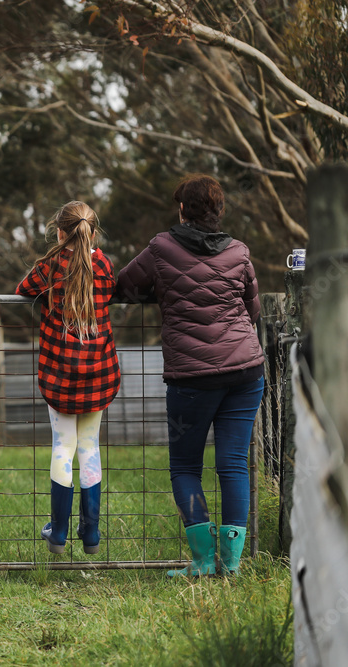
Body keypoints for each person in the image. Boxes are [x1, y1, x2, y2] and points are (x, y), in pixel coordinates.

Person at [116, 174, 264, 577]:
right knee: (233, 465)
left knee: (185, 467)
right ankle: (230, 565)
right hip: (246, 371)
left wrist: (162, 291)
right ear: (219, 211)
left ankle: (202, 562)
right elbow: (252, 311)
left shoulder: (161, 247)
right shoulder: (240, 251)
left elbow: (123, 287)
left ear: (182, 209)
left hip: (192, 379)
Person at [15, 201, 120, 556]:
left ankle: (57, 533)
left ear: (60, 232)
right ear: (92, 232)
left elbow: (21, 290)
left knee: (64, 447)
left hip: (60, 375)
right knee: (90, 447)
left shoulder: (47, 268)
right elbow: (113, 291)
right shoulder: (103, 265)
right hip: (98, 374)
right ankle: (91, 535)